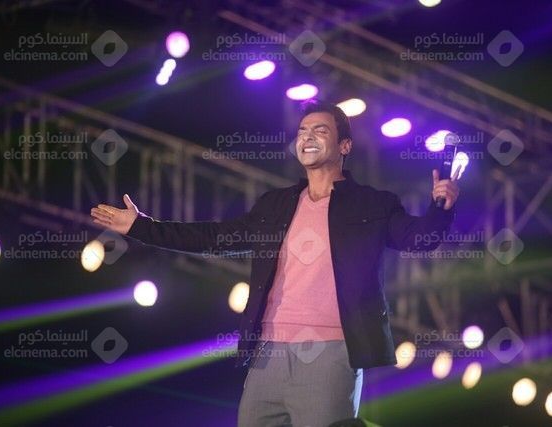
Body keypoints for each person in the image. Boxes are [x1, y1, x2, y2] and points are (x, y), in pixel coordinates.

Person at [90, 99, 460, 427]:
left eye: (320, 130)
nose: (308, 137)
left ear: (344, 146)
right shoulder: (275, 205)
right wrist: (141, 226)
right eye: (303, 131)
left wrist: (441, 207)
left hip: (330, 351)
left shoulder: (372, 204)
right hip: (267, 352)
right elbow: (213, 237)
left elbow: (419, 238)